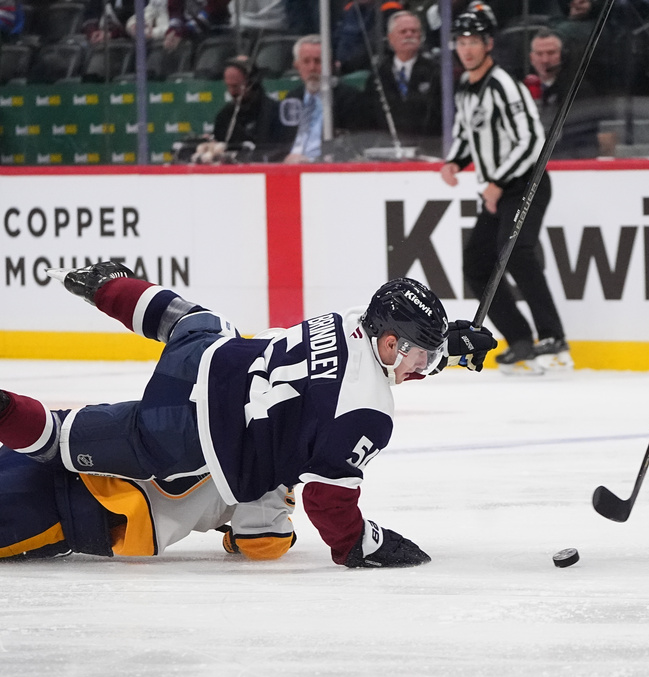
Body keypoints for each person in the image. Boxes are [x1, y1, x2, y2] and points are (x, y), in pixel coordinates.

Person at [0, 261, 496, 568]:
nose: (422, 368)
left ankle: (110, 287)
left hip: (212, 356)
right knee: (63, 439)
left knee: (193, 320)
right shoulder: (368, 413)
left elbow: (378, 359)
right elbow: (326, 501)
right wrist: (362, 545)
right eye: (420, 357)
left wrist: (449, 347)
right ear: (391, 342)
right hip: (188, 433)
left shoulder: (351, 319)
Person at [441, 6, 573, 375]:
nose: (466, 50)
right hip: (497, 190)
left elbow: (532, 139)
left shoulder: (503, 84)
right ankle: (519, 340)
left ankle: (554, 338)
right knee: (477, 265)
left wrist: (497, 183)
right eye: (461, 42)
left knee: (516, 251)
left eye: (473, 42)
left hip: (525, 183)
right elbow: (466, 135)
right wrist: (453, 161)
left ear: (489, 44)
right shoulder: (466, 90)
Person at [0, 445, 296, 561]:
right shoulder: (276, 460)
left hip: (64, 451)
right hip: (86, 503)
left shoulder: (215, 388)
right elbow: (262, 542)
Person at [359, 10, 443, 156]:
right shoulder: (378, 75)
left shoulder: (435, 72)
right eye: (403, 31)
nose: (409, 35)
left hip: (429, 151)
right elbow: (368, 117)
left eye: (413, 31)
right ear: (390, 38)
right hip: (386, 152)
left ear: (421, 36)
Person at [280, 35, 362, 163]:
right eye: (306, 61)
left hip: (326, 168)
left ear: (329, 65)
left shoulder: (347, 97)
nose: (312, 68)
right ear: (297, 65)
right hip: (289, 167)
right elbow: (276, 143)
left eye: (318, 61)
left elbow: (353, 145)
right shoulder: (292, 98)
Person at [523, 29, 599, 159]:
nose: (545, 60)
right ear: (531, 58)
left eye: (551, 53)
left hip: (568, 162)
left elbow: (583, 137)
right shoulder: (521, 88)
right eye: (539, 54)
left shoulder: (578, 90)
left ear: (563, 55)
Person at [202, 56, 290, 162]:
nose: (232, 92)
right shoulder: (225, 116)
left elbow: (282, 152)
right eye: (228, 86)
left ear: (252, 83)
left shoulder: (276, 112)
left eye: (236, 86)